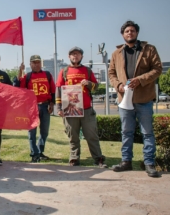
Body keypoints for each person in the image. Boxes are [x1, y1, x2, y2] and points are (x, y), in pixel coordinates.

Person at [108, 20, 162, 178]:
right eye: (126, 31)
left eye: (132, 31)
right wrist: (118, 85)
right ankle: (126, 162)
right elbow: (111, 73)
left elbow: (157, 69)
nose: (129, 33)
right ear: (122, 34)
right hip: (124, 100)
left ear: (137, 33)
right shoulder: (116, 53)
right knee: (126, 132)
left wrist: (141, 79)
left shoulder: (149, 49)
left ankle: (149, 163)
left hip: (144, 98)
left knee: (147, 133)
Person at [55, 47, 107, 168]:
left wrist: (89, 83)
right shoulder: (64, 71)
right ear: (69, 57)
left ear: (81, 56)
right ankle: (74, 158)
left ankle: (98, 158)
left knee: (91, 135)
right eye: (73, 54)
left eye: (77, 54)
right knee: (73, 136)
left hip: (87, 109)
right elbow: (58, 89)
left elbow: (96, 87)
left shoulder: (87, 71)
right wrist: (59, 108)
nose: (75, 56)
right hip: (70, 109)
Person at [18, 55, 55, 162]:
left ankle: (40, 151)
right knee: (32, 132)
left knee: (44, 131)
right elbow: (20, 87)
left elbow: (52, 91)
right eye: (33, 62)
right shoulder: (27, 76)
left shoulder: (47, 75)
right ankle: (34, 153)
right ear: (30, 64)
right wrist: (20, 71)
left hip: (45, 106)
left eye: (38, 62)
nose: (36, 64)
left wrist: (51, 104)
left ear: (41, 63)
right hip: (32, 107)